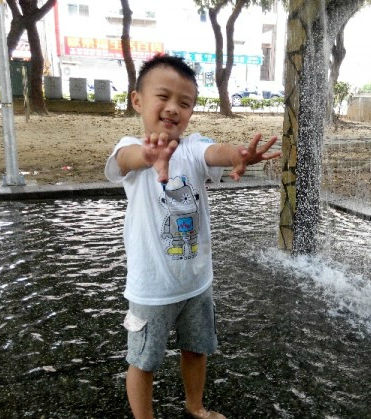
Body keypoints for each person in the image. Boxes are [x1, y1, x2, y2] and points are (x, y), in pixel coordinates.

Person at [105, 54, 281, 419]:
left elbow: (215, 152)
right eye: (163, 97)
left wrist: (239, 154)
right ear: (137, 100)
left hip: (197, 283)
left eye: (184, 103)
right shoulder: (128, 149)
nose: (173, 108)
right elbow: (126, 160)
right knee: (143, 360)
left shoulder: (193, 148)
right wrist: (148, 154)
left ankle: (195, 405)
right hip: (151, 288)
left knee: (197, 349)